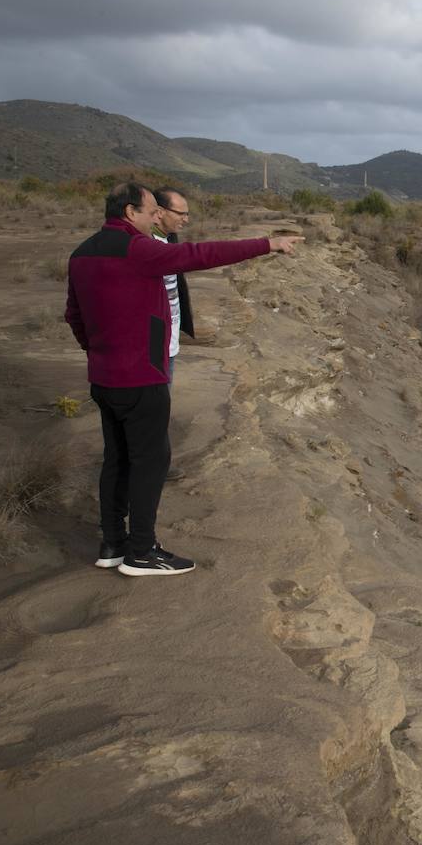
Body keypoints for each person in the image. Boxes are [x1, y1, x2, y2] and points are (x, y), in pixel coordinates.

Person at [65, 182, 302, 577]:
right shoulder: (137, 249)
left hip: (104, 377)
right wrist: (268, 244)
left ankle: (112, 543)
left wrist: (100, 352)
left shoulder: (81, 253)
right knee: (150, 461)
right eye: (151, 210)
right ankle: (141, 552)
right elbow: (201, 254)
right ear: (129, 213)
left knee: (117, 459)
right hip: (141, 375)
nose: (157, 217)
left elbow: (74, 315)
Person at [152, 187, 192, 481]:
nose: (186, 219)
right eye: (182, 213)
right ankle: (152, 470)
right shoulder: (144, 247)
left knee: (160, 408)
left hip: (169, 344)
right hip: (152, 348)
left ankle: (158, 464)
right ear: (159, 212)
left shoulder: (169, 239)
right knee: (153, 412)